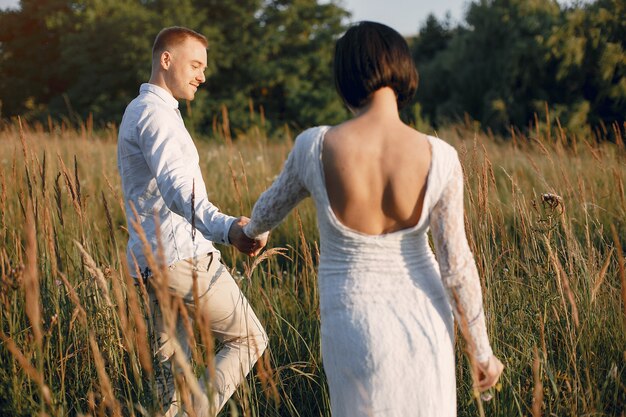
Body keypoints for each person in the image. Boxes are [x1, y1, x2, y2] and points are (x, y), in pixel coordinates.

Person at [243, 21, 504, 416]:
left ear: (345, 78)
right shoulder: (441, 156)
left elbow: (269, 208)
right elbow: (457, 267)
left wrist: (249, 232)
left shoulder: (314, 146)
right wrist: (481, 351)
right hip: (427, 319)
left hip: (354, 321)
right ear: (404, 69)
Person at [117, 26, 268, 417]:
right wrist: (229, 228)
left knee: (168, 379)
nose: (202, 75)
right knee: (249, 339)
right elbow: (178, 189)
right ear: (166, 60)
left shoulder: (141, 110)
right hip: (181, 259)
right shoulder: (156, 114)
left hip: (150, 264)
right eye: (196, 64)